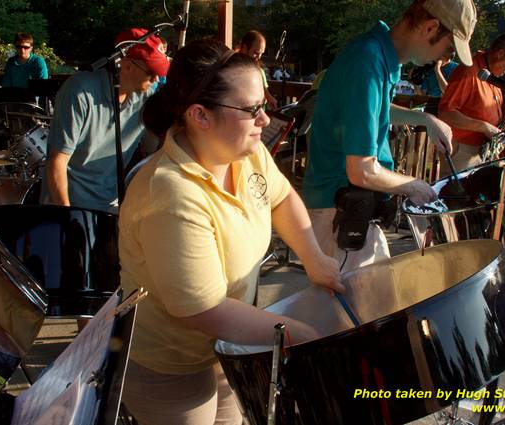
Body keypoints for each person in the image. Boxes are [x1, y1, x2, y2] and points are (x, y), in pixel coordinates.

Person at [119, 38, 342, 424]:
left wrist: (315, 258)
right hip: (170, 367)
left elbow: (281, 196)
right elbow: (203, 308)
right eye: (252, 109)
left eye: (264, 104)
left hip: (227, 346)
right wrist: (297, 333)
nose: (266, 120)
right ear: (200, 116)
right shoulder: (171, 193)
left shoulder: (247, 152)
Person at [302, 0, 476, 273]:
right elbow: (361, 171)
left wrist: (424, 119)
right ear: (430, 28)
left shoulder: (378, 55)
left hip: (350, 209)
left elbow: (372, 109)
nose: (445, 58)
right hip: (340, 214)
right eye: (449, 48)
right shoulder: (367, 62)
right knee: (352, 314)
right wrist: (413, 185)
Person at [42, 28, 169, 212]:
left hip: (111, 205)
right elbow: (57, 162)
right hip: (70, 205)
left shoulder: (148, 94)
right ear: (126, 66)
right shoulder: (79, 91)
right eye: (151, 72)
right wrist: (68, 219)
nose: (157, 78)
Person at [438, 30, 505, 173]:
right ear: (500, 53)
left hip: (482, 152)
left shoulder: (491, 75)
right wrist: (484, 126)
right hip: (462, 151)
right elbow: (445, 113)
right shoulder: (469, 71)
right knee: (458, 196)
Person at [236, 30, 278, 109]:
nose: (259, 57)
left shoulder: (259, 70)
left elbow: (263, 88)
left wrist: (269, 97)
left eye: (261, 54)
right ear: (244, 48)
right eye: (255, 53)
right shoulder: (232, 69)